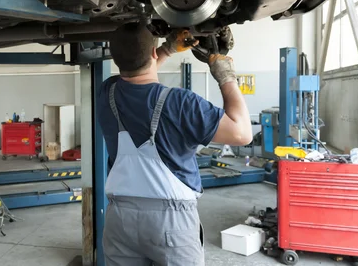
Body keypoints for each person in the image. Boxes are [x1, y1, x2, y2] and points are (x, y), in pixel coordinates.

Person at [98, 23, 253, 266]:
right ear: (152, 53)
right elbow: (242, 133)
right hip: (171, 222)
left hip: (120, 220)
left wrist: (167, 49)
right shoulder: (181, 103)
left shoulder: (107, 92)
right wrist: (226, 75)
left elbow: (135, 74)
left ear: (115, 59)